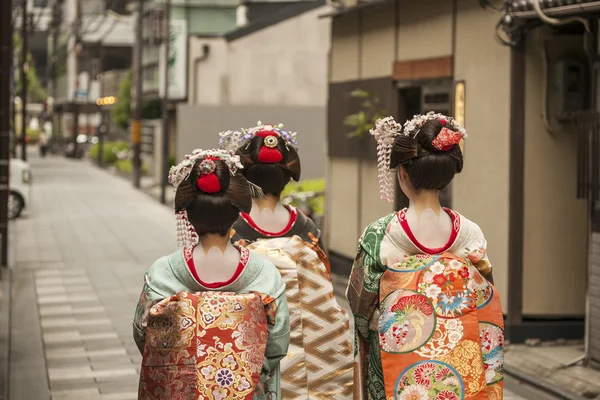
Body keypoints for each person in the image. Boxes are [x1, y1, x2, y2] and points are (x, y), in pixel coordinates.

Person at [347, 113, 504, 400]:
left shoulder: (380, 235)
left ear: (403, 173)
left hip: (395, 364)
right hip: (458, 361)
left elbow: (360, 307)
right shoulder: (470, 234)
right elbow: (486, 296)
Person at [133, 149, 290, 400]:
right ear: (238, 212)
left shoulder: (162, 273)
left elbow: (144, 337)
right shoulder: (265, 275)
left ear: (188, 215)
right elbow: (276, 346)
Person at [219, 123, 354, 399]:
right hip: (312, 347)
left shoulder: (232, 229)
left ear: (244, 176)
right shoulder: (306, 228)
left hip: (253, 343)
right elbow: (325, 286)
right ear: (287, 177)